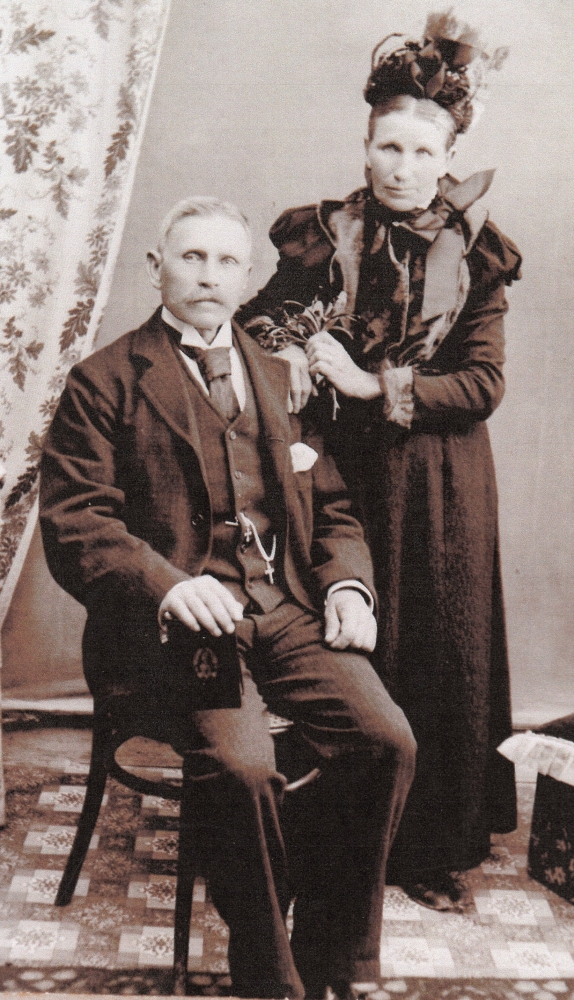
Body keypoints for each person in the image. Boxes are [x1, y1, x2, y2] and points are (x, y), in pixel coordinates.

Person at [39, 196, 416, 1000]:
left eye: (225, 262)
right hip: (173, 633)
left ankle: (332, 954)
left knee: (386, 740)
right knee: (245, 769)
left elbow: (334, 505)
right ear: (158, 266)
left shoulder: (278, 375)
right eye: (191, 258)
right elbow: (77, 524)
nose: (209, 276)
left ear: (247, 275)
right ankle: (265, 973)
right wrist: (169, 587)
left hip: (281, 609)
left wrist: (348, 585)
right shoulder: (105, 380)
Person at [238, 13, 521, 911]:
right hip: (332, 478)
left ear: (447, 159)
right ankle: (319, 834)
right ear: (366, 150)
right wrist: (284, 355)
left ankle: (425, 848)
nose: (402, 167)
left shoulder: (477, 255)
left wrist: (371, 384)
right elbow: (250, 332)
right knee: (335, 639)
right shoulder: (318, 238)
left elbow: (480, 385)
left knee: (435, 652)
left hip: (440, 484)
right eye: (387, 147)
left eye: (421, 151)